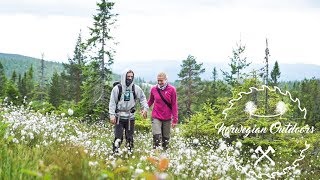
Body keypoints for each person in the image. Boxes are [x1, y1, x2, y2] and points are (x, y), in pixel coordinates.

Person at [109, 69, 148, 154]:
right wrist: (112, 115)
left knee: (130, 137)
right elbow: (112, 102)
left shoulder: (135, 88)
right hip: (119, 117)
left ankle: (130, 155)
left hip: (130, 117)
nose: (130, 78)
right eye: (128, 76)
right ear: (124, 77)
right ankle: (115, 154)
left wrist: (145, 108)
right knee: (118, 137)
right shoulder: (117, 89)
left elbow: (143, 98)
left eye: (131, 77)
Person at [148, 72, 178, 150]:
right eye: (158, 80)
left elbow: (174, 105)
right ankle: (155, 153)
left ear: (166, 80)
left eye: (161, 80)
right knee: (157, 136)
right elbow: (150, 101)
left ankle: (164, 155)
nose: (159, 82)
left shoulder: (172, 89)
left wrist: (175, 120)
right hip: (156, 116)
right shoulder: (154, 89)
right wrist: (144, 109)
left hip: (167, 117)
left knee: (166, 139)